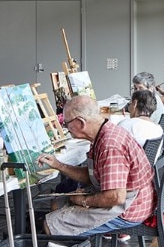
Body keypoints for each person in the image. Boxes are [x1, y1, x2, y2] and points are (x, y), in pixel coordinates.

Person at [38, 95, 155, 237]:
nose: (66, 128)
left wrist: (84, 201)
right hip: (130, 198)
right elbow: (93, 175)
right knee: (59, 202)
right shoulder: (104, 132)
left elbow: (116, 197)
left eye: (67, 124)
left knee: (53, 223)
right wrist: (58, 165)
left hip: (131, 207)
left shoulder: (110, 145)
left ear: (81, 123)